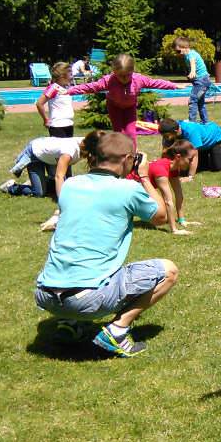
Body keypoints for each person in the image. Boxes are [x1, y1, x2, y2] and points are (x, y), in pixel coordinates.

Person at [34, 131, 179, 357]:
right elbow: (160, 216)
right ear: (127, 159)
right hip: (87, 300)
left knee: (84, 257)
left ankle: (70, 323)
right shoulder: (127, 189)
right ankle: (116, 331)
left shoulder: (71, 185)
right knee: (168, 271)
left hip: (46, 294)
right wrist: (143, 177)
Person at [67, 54, 179, 146]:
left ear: (132, 71)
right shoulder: (109, 80)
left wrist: (173, 85)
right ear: (114, 72)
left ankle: (133, 155)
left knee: (131, 133)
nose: (124, 79)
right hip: (114, 107)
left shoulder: (138, 79)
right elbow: (90, 86)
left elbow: (155, 83)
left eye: (127, 75)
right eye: (120, 76)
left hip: (130, 107)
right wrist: (70, 91)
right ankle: (120, 153)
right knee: (119, 132)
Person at [130, 139, 201, 235]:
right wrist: (174, 230)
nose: (192, 162)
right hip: (131, 189)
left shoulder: (174, 168)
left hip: (140, 189)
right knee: (162, 218)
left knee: (164, 216)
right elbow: (168, 201)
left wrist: (182, 219)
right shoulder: (161, 169)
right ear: (178, 157)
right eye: (190, 159)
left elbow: (178, 193)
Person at [1, 135, 85, 198]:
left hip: (50, 157)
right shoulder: (70, 151)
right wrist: (62, 200)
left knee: (56, 186)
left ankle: (37, 181)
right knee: (39, 193)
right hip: (35, 153)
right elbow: (59, 176)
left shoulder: (88, 141)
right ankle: (10, 187)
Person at [175, 36, 210, 123]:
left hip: (201, 81)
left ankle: (192, 122)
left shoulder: (191, 55)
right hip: (204, 81)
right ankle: (205, 122)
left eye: (178, 51)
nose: (178, 53)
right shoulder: (188, 55)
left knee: (192, 101)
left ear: (185, 47)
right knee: (200, 102)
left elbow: (193, 63)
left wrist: (192, 72)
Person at [35, 62, 75, 137]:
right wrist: (46, 119)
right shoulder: (54, 88)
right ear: (62, 76)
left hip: (69, 123)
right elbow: (39, 103)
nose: (72, 77)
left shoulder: (67, 88)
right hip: (57, 126)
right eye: (70, 74)